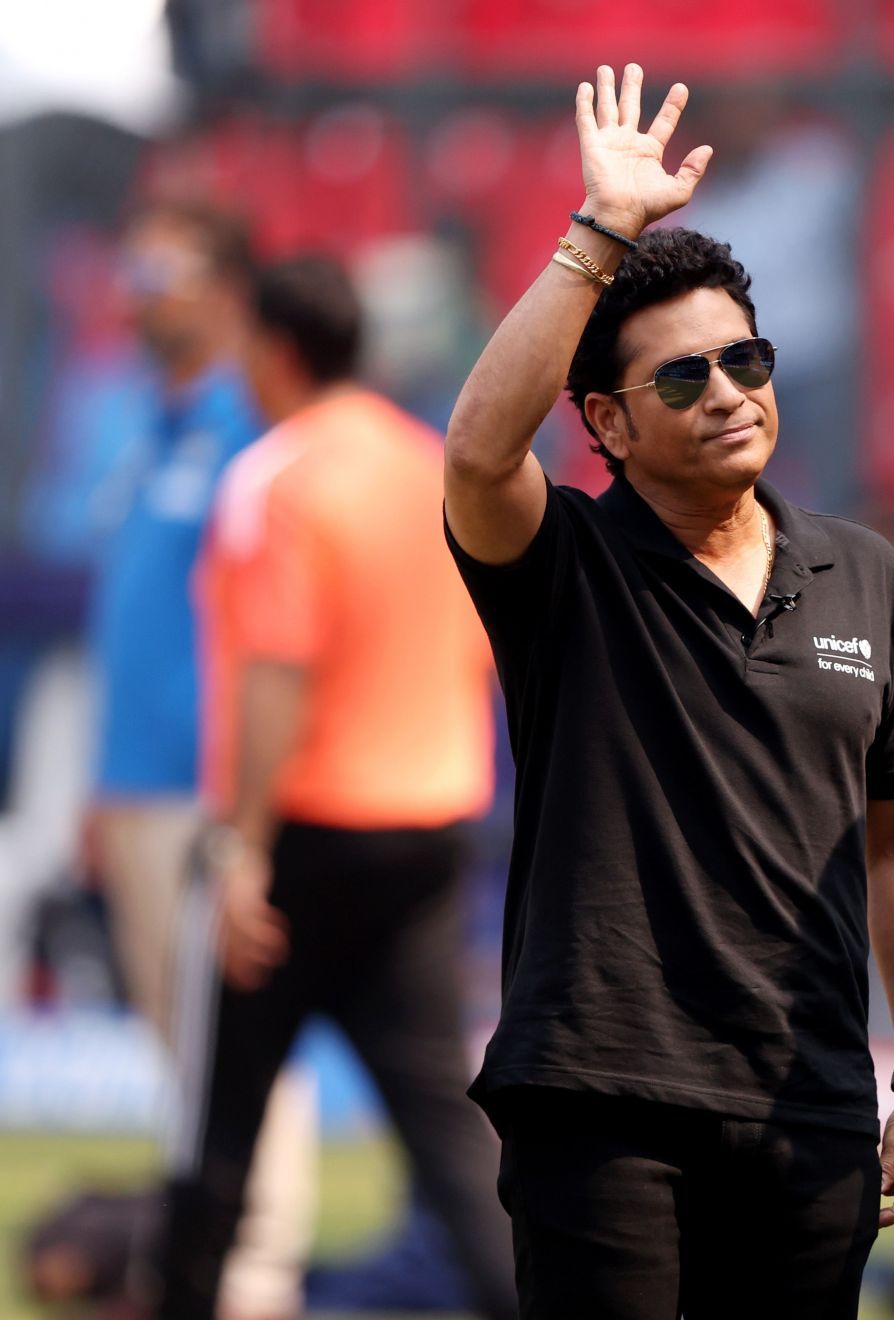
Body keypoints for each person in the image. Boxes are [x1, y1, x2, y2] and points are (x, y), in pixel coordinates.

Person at [442, 65, 894, 1317]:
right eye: (684, 378)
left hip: (810, 1105)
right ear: (608, 427)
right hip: (599, 1099)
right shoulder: (563, 564)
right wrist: (599, 232)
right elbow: (476, 450)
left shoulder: (864, 572)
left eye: (746, 359)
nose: (729, 391)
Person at [156, 256, 516, 1320]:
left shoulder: (276, 476)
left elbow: (274, 674)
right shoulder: (436, 469)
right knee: (445, 1129)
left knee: (217, 1128)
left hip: (302, 836)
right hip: (428, 825)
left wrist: (241, 851)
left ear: (273, 351)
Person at [81, 200, 317, 1318]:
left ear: (227, 287)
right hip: (137, 788)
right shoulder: (149, 424)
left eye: (159, 266)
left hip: (210, 786)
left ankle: (255, 1280)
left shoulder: (248, 429)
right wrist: (101, 786)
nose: (135, 287)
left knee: (238, 1049)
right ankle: (212, 1269)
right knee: (184, 1054)